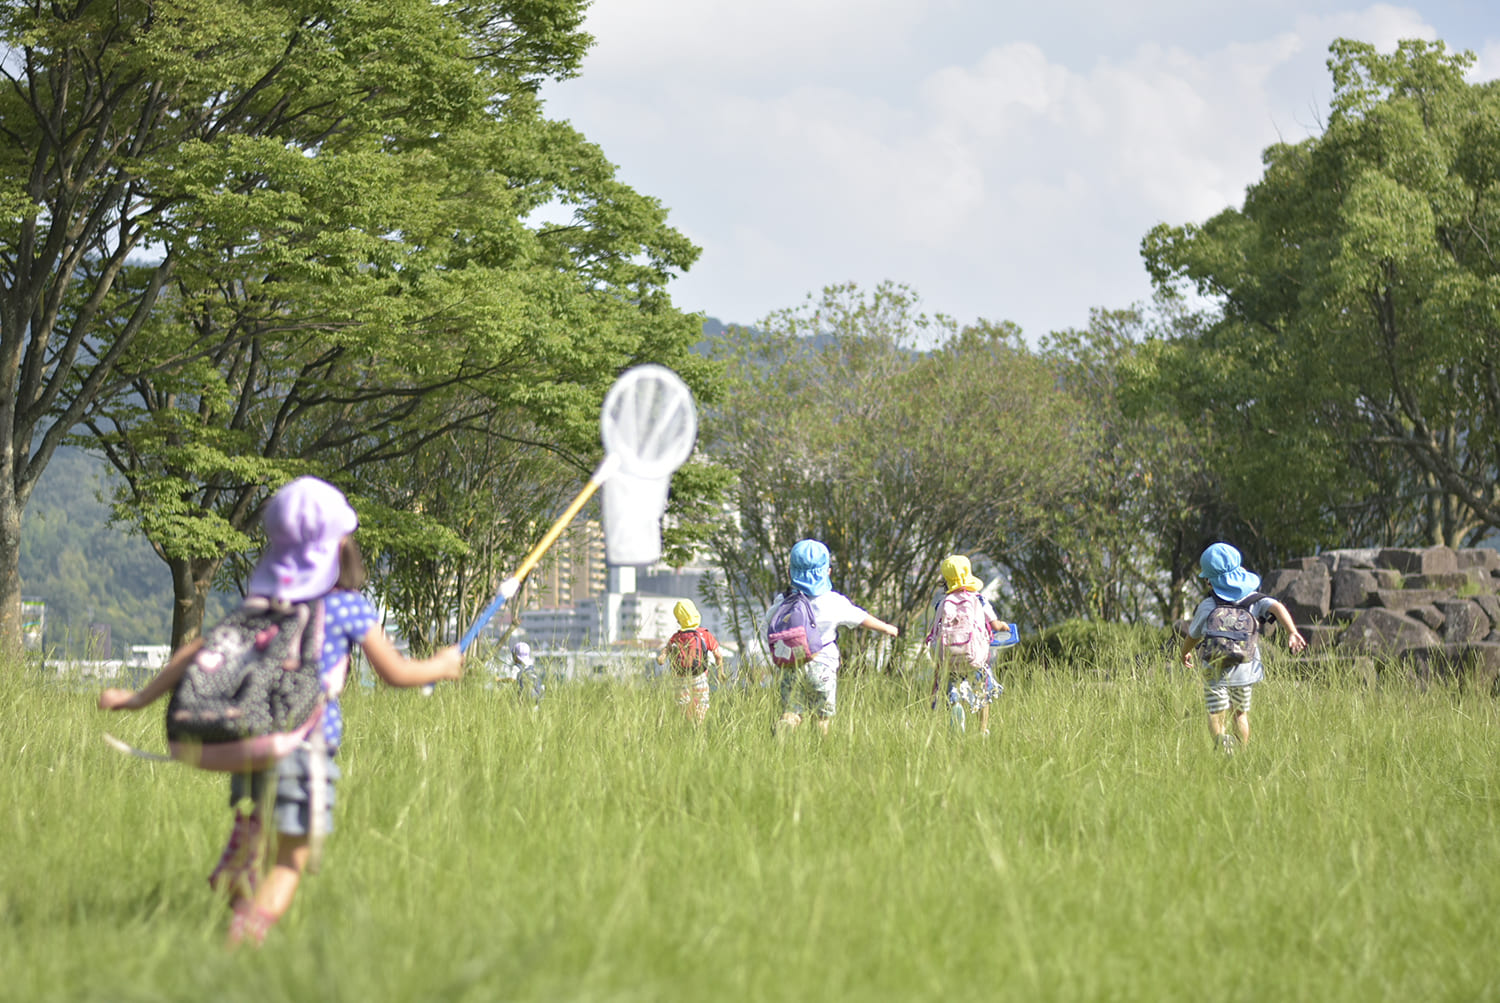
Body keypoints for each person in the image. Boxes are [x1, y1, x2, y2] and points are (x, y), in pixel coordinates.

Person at [98, 476, 464, 946]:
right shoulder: (348, 609)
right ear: (338, 548)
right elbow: (395, 672)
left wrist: (137, 698)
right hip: (305, 744)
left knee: (268, 821)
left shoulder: (262, 607)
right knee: (294, 855)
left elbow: (199, 653)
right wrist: (443, 666)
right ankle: (245, 939)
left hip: (253, 738)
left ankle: (245, 847)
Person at [1179, 542, 1306, 754]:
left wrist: (1184, 653)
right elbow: (1277, 606)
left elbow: (1193, 636)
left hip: (1214, 670)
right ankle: (1242, 752)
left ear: (1209, 580)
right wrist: (1292, 631)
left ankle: (1222, 745)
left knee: (1215, 713)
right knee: (1240, 714)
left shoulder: (1208, 606)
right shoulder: (1253, 601)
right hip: (1246, 671)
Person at [765, 539, 897, 736]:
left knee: (792, 710)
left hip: (791, 664)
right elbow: (861, 618)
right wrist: (887, 628)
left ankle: (787, 724)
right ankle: (822, 752)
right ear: (827, 571)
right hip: (823, 665)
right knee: (822, 717)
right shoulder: (833, 601)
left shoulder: (784, 600)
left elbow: (769, 622)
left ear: (791, 571)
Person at [927, 555, 1009, 737]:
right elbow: (995, 626)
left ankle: (956, 706)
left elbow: (933, 635)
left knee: (952, 687)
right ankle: (982, 729)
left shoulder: (942, 604)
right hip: (975, 658)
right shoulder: (979, 599)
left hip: (949, 658)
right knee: (983, 692)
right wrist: (1004, 626)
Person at [656, 599, 724, 724]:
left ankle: (686, 724)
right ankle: (698, 726)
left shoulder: (676, 636)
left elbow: (667, 649)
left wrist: (662, 657)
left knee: (683, 705)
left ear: (679, 619)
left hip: (679, 677)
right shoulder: (704, 634)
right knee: (702, 702)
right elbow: (718, 655)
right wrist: (720, 672)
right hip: (699, 676)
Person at [509, 641, 545, 706]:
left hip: (523, 703)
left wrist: (498, 680)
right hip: (536, 701)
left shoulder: (516, 668)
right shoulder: (531, 667)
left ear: (516, 656)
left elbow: (512, 679)